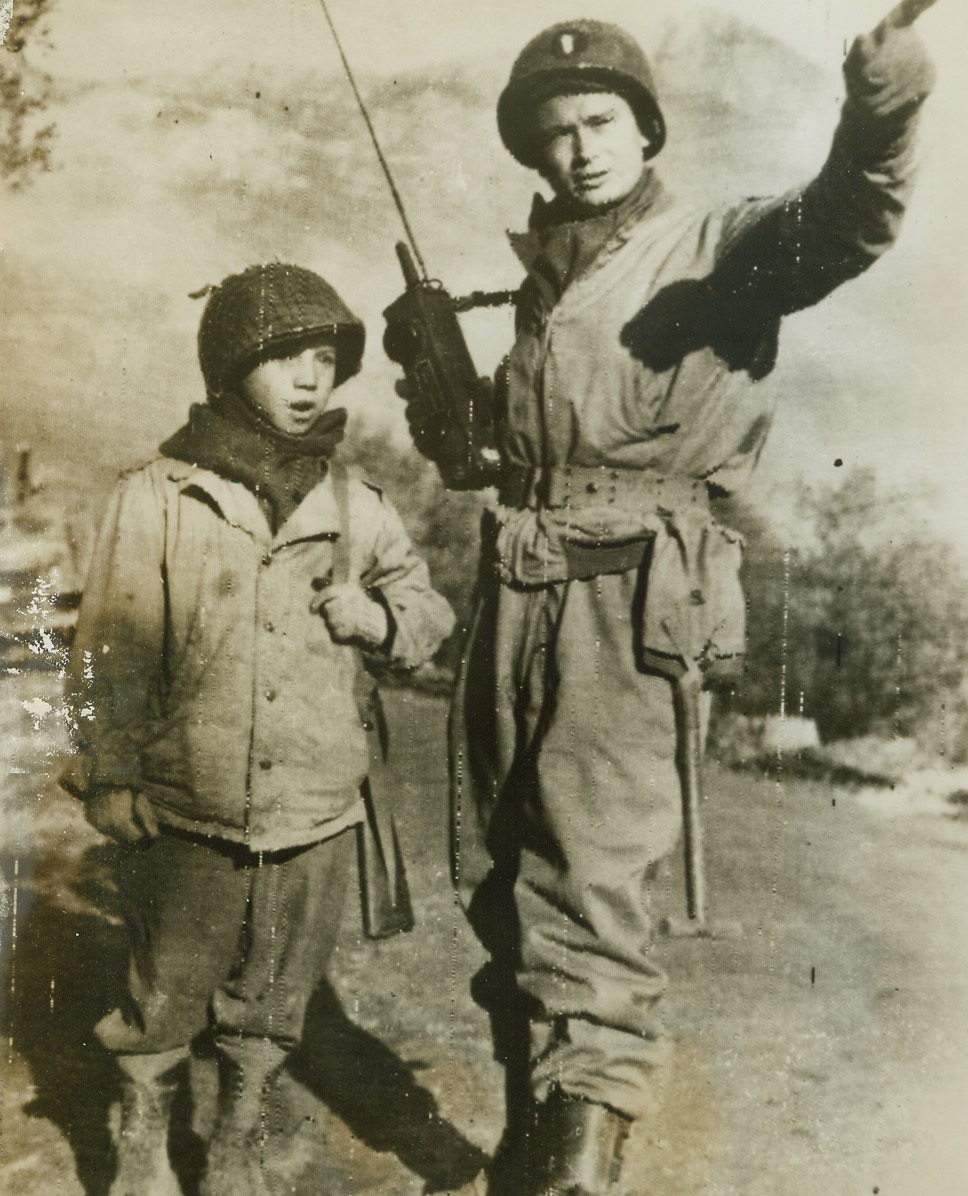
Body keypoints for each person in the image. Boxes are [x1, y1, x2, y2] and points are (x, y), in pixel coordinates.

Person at [398, 12, 936, 1196]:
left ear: (644, 129)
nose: (579, 149)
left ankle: (575, 1174)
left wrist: (882, 101)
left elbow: (847, 219)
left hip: (634, 592)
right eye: (553, 134)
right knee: (504, 872)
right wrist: (442, 393)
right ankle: (532, 1143)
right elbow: (497, 459)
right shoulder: (547, 281)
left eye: (600, 122)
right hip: (518, 585)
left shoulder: (717, 248)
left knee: (587, 877)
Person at [62, 262, 455, 1196]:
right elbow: (107, 649)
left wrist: (381, 620)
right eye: (284, 358)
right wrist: (109, 776)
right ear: (232, 366)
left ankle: (237, 1142)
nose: (310, 379)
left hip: (314, 807)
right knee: (163, 988)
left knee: (275, 997)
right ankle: (142, 1139)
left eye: (324, 360)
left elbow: (428, 611)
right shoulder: (158, 496)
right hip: (184, 803)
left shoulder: (355, 505)